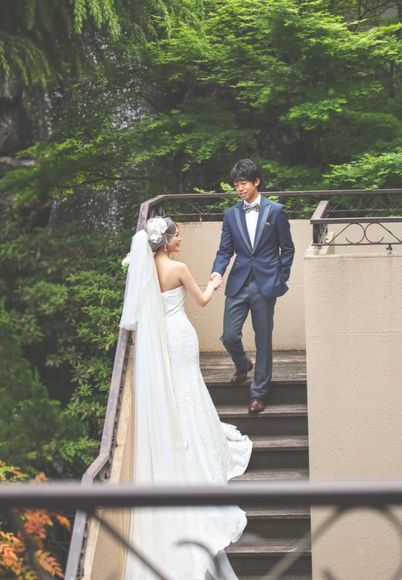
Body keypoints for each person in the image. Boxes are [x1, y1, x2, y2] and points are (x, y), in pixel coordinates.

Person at [120, 216, 252, 580]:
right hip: (179, 336)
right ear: (165, 241)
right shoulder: (177, 269)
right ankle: (199, 446)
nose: (180, 238)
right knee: (189, 387)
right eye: (177, 235)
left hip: (160, 341)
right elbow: (203, 301)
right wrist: (214, 283)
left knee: (175, 392)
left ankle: (178, 437)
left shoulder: (144, 269)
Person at [211, 159, 295, 414]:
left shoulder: (276, 211)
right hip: (238, 282)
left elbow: (287, 249)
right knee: (229, 335)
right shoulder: (231, 214)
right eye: (236, 184)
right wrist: (217, 271)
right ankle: (242, 364)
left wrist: (281, 278)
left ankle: (259, 393)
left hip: (265, 283)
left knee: (263, 340)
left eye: (243, 183)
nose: (239, 188)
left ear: (256, 182)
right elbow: (224, 250)